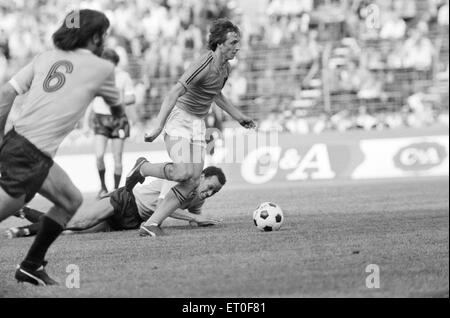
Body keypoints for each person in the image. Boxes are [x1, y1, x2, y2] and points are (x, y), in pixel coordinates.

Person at [0, 9, 123, 286]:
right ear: (94, 37)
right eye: (103, 34)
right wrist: (121, 115)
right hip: (31, 154)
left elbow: (6, 93)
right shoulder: (102, 67)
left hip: (19, 143)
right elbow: (117, 109)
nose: (104, 40)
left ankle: (31, 266)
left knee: (70, 200)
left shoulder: (45, 57)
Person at [125, 19, 255, 237]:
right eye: (232, 42)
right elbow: (174, 92)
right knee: (183, 172)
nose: (237, 47)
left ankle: (151, 223)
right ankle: (143, 168)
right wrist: (158, 126)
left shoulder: (226, 68)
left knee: (193, 181)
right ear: (219, 44)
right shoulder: (203, 64)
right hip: (180, 118)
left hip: (197, 124)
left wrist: (239, 116)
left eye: (237, 42)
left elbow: (215, 95)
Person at [6, 166, 226, 238]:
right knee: (80, 222)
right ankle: (23, 231)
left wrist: (203, 220)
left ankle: (24, 211)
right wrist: (196, 217)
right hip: (125, 201)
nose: (209, 193)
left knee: (74, 231)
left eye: (213, 192)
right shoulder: (181, 179)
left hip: (131, 220)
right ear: (203, 176)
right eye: (209, 187)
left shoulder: (197, 198)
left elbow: (194, 218)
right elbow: (163, 208)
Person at [84, 48, 135, 198]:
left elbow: (132, 98)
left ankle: (115, 191)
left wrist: (118, 100)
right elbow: (90, 100)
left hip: (118, 119)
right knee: (99, 155)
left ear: (114, 64)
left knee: (117, 158)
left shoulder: (123, 77)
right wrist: (86, 122)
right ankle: (103, 187)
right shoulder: (97, 77)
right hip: (100, 118)